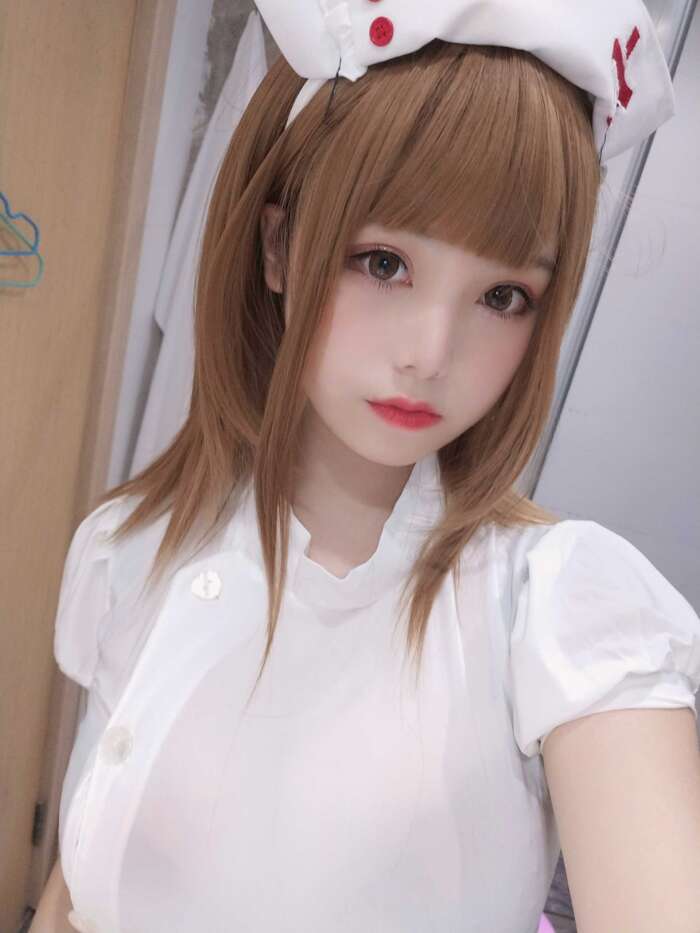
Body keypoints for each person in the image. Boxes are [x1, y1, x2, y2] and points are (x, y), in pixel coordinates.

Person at [35, 2, 700, 931]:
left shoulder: (558, 611)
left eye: (503, 295)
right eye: (383, 262)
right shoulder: (130, 548)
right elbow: (78, 891)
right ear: (278, 246)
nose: (431, 353)